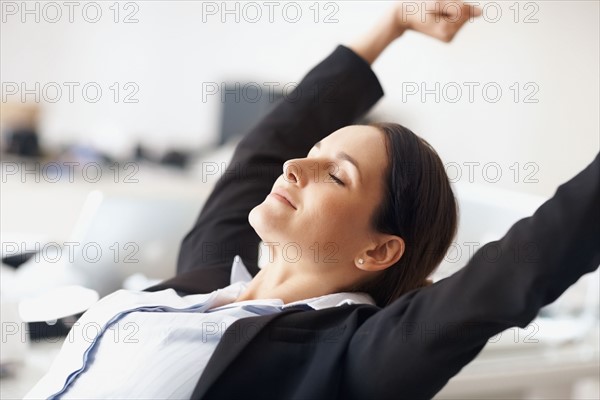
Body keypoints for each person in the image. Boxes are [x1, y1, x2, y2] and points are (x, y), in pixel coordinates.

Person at [26, 1, 599, 399]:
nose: (296, 166)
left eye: (337, 175)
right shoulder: (210, 274)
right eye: (313, 151)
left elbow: (533, 260)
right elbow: (266, 145)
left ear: (378, 251)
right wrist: (391, 25)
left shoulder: (346, 360)